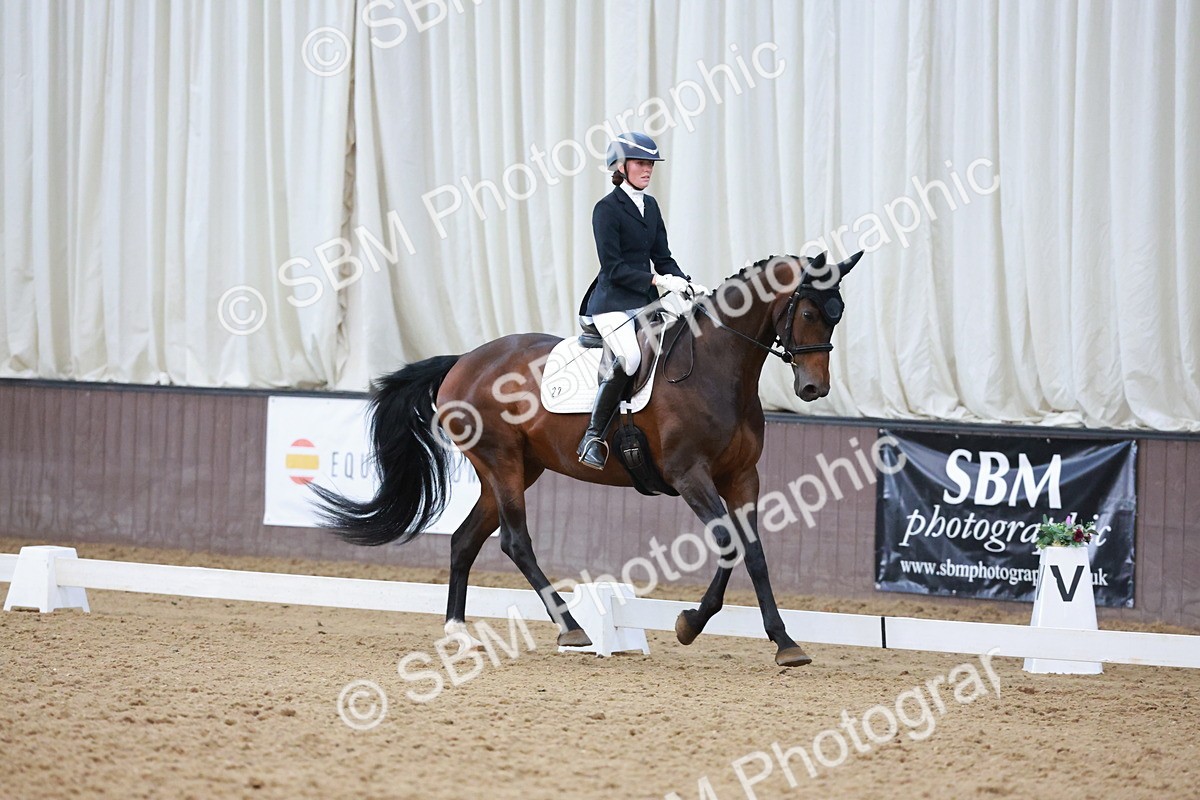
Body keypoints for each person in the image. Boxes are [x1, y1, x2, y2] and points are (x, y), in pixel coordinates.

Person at [575, 132, 707, 470]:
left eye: (650, 164)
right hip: (611, 302)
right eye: (640, 163)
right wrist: (659, 280)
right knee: (631, 358)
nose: (647, 169)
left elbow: (662, 256)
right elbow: (614, 267)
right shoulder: (605, 210)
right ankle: (593, 435)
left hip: (645, 302)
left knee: (677, 346)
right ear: (621, 167)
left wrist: (685, 282)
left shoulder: (650, 206)